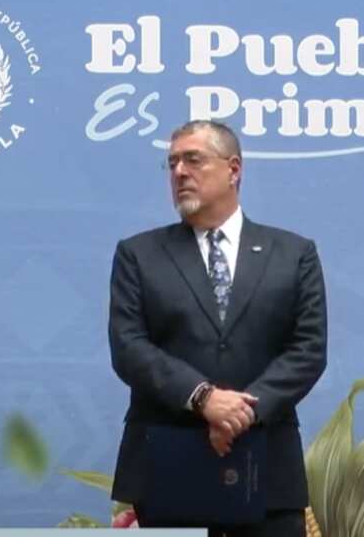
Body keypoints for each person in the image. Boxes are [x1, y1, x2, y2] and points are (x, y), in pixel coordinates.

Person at [108, 120, 326, 536]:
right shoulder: (139, 254)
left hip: (267, 466)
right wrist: (203, 398)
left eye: (193, 159)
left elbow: (308, 349)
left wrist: (241, 412)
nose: (179, 173)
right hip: (168, 466)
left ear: (234, 168)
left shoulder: (293, 253)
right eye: (171, 163)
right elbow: (129, 346)